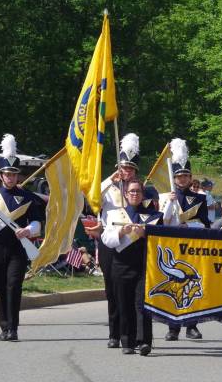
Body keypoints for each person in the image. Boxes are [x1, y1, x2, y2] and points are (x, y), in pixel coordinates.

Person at [0, 134, 45, 340]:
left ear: (18, 176)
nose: (11, 177)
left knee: (14, 286)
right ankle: (4, 326)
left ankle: (13, 328)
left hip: (18, 247)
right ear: (1, 175)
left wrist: (28, 230)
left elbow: (37, 223)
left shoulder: (28, 197)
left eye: (14, 174)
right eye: (7, 174)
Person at [84, 132, 141, 349]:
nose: (126, 172)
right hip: (110, 239)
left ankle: (133, 333)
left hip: (133, 241)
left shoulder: (139, 190)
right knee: (112, 289)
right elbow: (92, 199)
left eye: (130, 169)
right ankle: (114, 332)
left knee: (131, 290)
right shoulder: (108, 188)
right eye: (123, 167)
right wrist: (110, 179)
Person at [101, 179, 162, 355]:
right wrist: (121, 232)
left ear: (143, 195)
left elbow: (162, 241)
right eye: (132, 192)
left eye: (138, 192)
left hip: (144, 264)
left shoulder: (154, 216)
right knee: (124, 303)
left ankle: (144, 341)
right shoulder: (114, 214)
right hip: (121, 264)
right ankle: (127, 340)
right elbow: (106, 240)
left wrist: (147, 234)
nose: (135, 194)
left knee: (142, 304)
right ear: (126, 195)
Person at [160, 138, 209, 341]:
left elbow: (206, 224)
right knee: (173, 286)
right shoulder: (165, 196)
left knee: (191, 286)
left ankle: (192, 325)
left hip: (192, 246)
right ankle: (173, 327)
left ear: (190, 177)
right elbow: (161, 222)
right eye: (179, 176)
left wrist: (189, 226)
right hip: (172, 247)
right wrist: (169, 204)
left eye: (185, 176)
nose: (182, 179)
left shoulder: (200, 198)